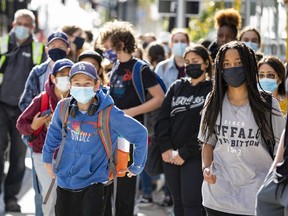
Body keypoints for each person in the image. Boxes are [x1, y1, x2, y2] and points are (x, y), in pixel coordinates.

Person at [42, 61, 148, 216]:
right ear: (70, 86)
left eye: (87, 83)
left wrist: (137, 166)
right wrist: (46, 159)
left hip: (94, 183)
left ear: (96, 85)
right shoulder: (63, 108)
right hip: (65, 181)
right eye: (77, 83)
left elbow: (140, 134)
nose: (82, 87)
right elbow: (53, 134)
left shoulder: (109, 113)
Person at [198, 41, 285, 215]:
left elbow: (280, 149)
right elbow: (208, 142)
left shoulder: (267, 104)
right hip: (217, 196)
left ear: (249, 65)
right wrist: (206, 168)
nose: (232, 68)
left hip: (254, 198)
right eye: (226, 65)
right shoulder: (213, 100)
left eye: (238, 63)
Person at [99, 20, 165, 216]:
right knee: (109, 186)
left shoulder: (140, 68)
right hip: (112, 134)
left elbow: (159, 97)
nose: (105, 51)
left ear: (120, 43)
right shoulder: (116, 67)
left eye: (108, 47)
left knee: (126, 189)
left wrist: (132, 112)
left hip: (130, 136)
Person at [155, 45, 212, 216]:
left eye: (195, 61)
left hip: (195, 155)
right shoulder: (176, 86)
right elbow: (162, 119)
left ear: (206, 64)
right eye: (187, 62)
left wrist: (185, 153)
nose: (190, 65)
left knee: (192, 203)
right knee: (177, 202)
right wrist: (165, 147)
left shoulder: (212, 89)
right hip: (170, 155)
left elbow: (209, 126)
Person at [18, 31, 70, 216]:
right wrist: (39, 120)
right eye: (53, 46)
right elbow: (25, 107)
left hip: (70, 152)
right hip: (41, 146)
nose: (57, 49)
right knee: (45, 194)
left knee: (66, 197)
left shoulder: (78, 92)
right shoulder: (38, 73)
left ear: (69, 49)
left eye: (61, 46)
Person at [0, 9, 47, 212]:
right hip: (1, 106)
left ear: (32, 28)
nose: (22, 28)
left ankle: (11, 197)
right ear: (13, 25)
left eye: (27, 24)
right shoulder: (2, 44)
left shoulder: (38, 49)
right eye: (20, 23)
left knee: (18, 158)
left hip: (23, 112)